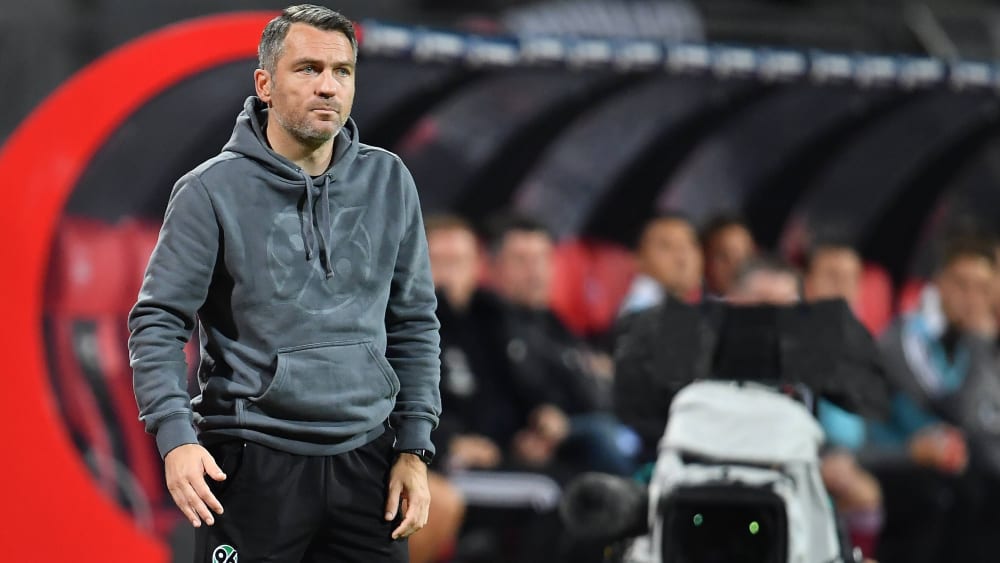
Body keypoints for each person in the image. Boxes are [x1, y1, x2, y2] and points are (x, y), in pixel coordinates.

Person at [128, 6, 440, 562]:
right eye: (308, 69)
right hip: (252, 460)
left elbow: (414, 321)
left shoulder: (389, 179)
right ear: (265, 84)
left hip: (369, 461)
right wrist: (175, 439)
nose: (328, 86)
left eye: (342, 71)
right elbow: (157, 322)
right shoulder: (209, 191)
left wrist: (414, 448)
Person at [618, 211, 703, 315]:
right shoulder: (639, 309)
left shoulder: (713, 308)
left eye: (690, 244)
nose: (682, 257)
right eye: (666, 246)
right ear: (637, 258)